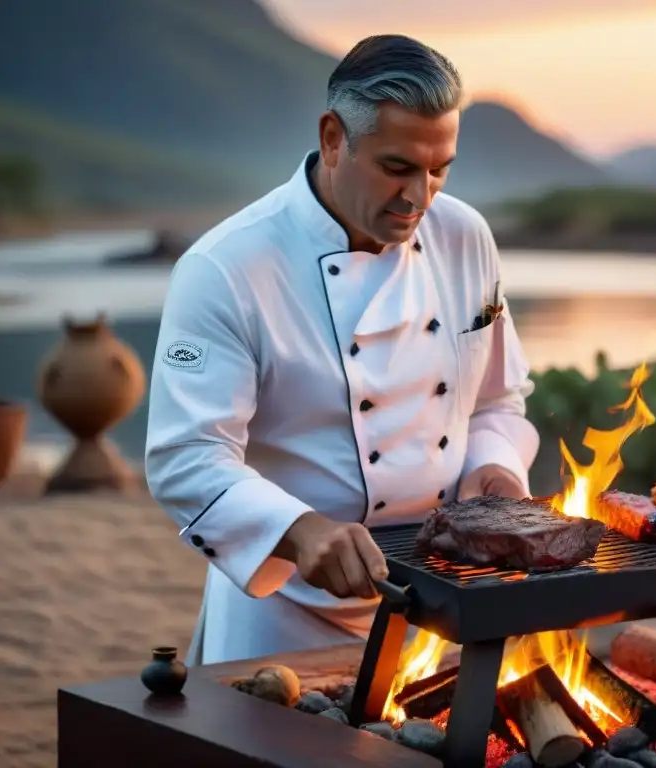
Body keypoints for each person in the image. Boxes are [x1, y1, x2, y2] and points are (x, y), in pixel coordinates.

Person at [145, 34, 540, 666]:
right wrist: (301, 533)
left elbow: (497, 402)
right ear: (334, 138)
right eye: (397, 167)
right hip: (284, 610)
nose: (421, 197)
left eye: (440, 168)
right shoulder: (226, 267)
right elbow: (185, 458)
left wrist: (495, 473)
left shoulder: (465, 236)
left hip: (449, 598)